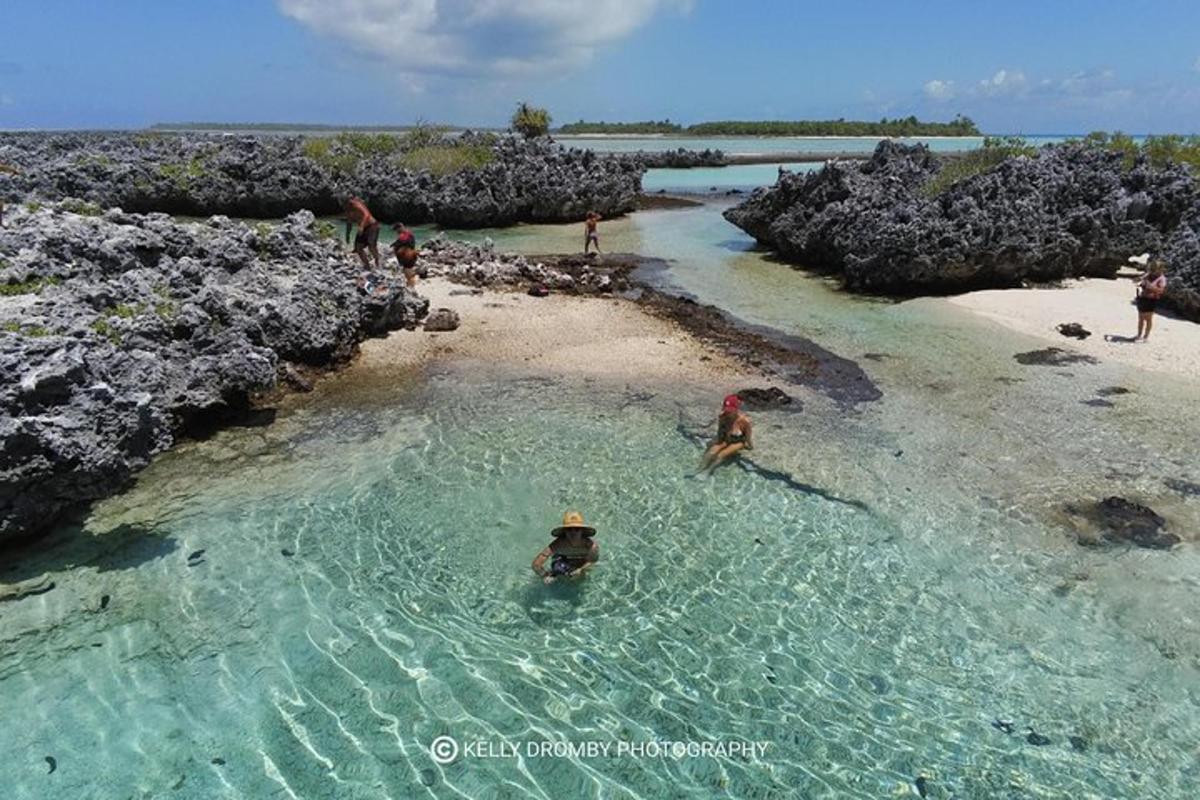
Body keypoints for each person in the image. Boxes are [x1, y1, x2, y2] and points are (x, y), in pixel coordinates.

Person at [531, 511, 600, 584]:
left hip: (581, 563)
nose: (573, 533)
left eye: (577, 529)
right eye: (569, 529)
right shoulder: (558, 544)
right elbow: (536, 565)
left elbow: (593, 562)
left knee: (581, 579)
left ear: (582, 531)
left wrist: (581, 569)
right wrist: (546, 575)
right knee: (558, 572)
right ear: (565, 532)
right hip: (562, 561)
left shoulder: (591, 546)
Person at [700, 394, 753, 473]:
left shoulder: (744, 421)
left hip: (738, 441)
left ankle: (708, 471)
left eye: (730, 410)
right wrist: (718, 442)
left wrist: (750, 445)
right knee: (711, 451)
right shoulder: (722, 417)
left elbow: (748, 436)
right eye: (726, 409)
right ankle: (699, 468)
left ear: (736, 409)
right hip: (726, 439)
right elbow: (720, 431)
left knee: (721, 455)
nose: (728, 412)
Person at [343, 196, 381, 269]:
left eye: (349, 202)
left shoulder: (357, 205)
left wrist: (361, 226)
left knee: (371, 245)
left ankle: (377, 260)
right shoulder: (347, 210)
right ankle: (367, 265)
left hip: (372, 225)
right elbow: (349, 223)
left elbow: (366, 214)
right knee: (358, 248)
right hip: (363, 228)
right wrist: (347, 235)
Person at [1134, 260, 1167, 342]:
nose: (1152, 271)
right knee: (1141, 318)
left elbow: (1161, 290)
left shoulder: (1162, 279)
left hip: (1152, 300)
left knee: (1148, 319)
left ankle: (1146, 336)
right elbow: (1138, 280)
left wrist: (1149, 286)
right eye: (1151, 269)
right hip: (1143, 298)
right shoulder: (1148, 275)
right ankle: (1139, 335)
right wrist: (1140, 281)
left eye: (1154, 269)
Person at [391, 223, 419, 288]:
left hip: (408, 256)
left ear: (400, 228)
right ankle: (411, 284)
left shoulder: (405, 235)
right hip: (410, 255)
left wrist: (395, 246)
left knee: (407, 271)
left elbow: (401, 242)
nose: (396, 232)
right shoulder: (408, 233)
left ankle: (411, 286)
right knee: (408, 270)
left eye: (396, 230)